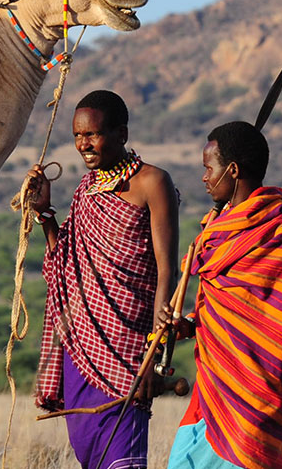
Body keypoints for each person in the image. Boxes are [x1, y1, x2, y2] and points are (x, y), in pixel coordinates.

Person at [29, 90, 181, 469]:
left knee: (124, 459)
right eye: (78, 136)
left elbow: (168, 271)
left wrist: (154, 356)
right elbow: (65, 265)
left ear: (122, 133)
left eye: (93, 135)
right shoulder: (87, 189)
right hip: (82, 348)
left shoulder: (152, 183)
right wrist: (45, 213)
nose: (84, 145)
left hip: (129, 349)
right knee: (89, 455)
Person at [165, 121, 282, 469]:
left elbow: (281, 325)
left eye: (208, 169)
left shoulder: (281, 235)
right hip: (213, 385)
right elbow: (222, 309)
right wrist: (188, 324)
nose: (204, 177)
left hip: (255, 392)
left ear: (232, 170)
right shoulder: (215, 234)